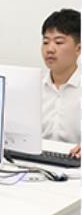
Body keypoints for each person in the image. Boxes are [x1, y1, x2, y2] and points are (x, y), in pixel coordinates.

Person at [41, 9, 81, 158]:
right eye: (45, 42)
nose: (50, 49)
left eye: (59, 42)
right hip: (36, 164)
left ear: (78, 49)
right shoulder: (34, 88)